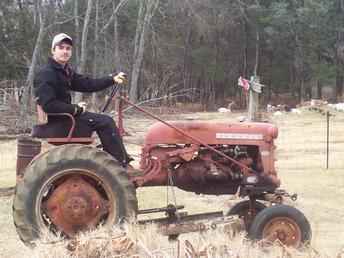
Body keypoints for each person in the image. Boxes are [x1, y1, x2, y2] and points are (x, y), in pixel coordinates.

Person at [34, 33, 132, 167]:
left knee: (103, 119)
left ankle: (119, 160)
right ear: (53, 50)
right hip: (59, 122)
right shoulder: (47, 73)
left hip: (65, 117)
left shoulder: (64, 71)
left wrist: (111, 79)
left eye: (68, 48)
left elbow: (88, 84)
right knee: (106, 121)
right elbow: (48, 105)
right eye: (61, 48)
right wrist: (75, 109)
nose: (65, 51)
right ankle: (119, 165)